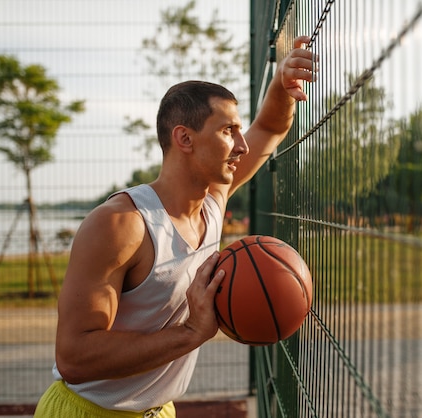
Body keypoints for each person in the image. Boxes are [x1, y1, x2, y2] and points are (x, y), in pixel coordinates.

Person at [34, 35, 316, 418]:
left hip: (160, 411)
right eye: (227, 131)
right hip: (88, 411)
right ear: (184, 138)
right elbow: (74, 357)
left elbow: (267, 129)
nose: (241, 146)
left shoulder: (213, 202)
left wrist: (282, 86)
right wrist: (190, 334)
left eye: (237, 130)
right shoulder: (122, 224)